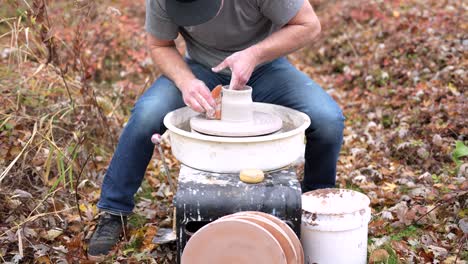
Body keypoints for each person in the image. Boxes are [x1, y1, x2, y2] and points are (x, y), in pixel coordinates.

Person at [88, 0, 344, 259]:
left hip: (266, 67)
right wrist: (186, 81)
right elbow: (159, 45)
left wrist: (254, 54)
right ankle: (114, 210)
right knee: (146, 115)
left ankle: (315, 210)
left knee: (328, 120)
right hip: (202, 70)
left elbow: (309, 25)